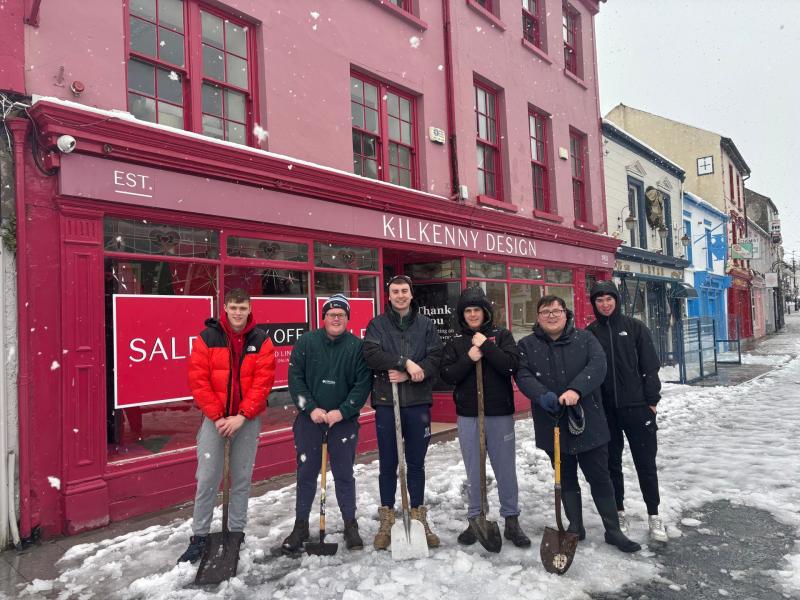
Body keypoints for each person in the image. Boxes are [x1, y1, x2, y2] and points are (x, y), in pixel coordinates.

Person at [516, 295, 640, 553]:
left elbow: (598, 365)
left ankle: (613, 530)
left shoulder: (585, 339)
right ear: (538, 317)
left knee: (600, 477)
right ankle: (575, 526)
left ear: (566, 313)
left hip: (588, 421)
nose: (552, 315)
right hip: (552, 422)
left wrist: (576, 389)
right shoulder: (527, 345)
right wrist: (542, 395)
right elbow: (523, 374)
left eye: (556, 310)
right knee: (565, 477)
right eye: (545, 311)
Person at [178, 288, 276, 563]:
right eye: (233, 307)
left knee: (241, 479)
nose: (237, 313)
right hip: (215, 420)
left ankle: (235, 533)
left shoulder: (261, 340)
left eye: (242, 308)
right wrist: (218, 416)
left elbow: (262, 383)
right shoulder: (207, 338)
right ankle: (199, 537)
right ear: (226, 308)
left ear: (249, 309)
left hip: (247, 419)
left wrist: (242, 415)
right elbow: (199, 381)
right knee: (208, 478)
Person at [439, 287, 530, 548]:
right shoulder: (456, 343)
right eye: (467, 311)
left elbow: (510, 365)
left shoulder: (502, 337)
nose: (472, 314)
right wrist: (469, 358)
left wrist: (486, 348)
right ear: (462, 315)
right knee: (474, 470)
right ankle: (475, 518)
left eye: (476, 310)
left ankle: (511, 520)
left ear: (485, 312)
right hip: (468, 415)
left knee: (505, 469)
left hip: (499, 413)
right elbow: (448, 376)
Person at [281, 294, 372, 553]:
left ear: (347, 319)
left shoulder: (357, 347)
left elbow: (362, 384)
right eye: (332, 313)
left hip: (342, 423)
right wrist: (310, 408)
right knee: (307, 475)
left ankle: (350, 524)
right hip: (310, 422)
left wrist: (342, 412)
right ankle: (300, 526)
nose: (336, 318)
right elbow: (295, 378)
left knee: (344, 474)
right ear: (324, 317)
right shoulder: (306, 342)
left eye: (341, 315)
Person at [363, 275, 444, 550]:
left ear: (411, 294)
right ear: (388, 296)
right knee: (388, 463)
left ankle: (418, 517)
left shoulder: (426, 325)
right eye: (395, 291)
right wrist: (404, 361)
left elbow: (436, 358)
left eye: (404, 291)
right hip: (387, 402)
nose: (400, 295)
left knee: (417, 463)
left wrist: (411, 374)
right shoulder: (378, 325)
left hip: (418, 402)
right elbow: (371, 355)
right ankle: (387, 519)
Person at [587, 280, 668, 543]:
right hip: (607, 412)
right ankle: (618, 511)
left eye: (609, 299)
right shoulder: (590, 333)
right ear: (594, 304)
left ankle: (654, 514)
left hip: (637, 409)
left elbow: (650, 368)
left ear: (617, 300)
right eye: (599, 300)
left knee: (645, 463)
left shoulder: (635, 328)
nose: (605, 304)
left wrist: (651, 402)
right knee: (612, 465)